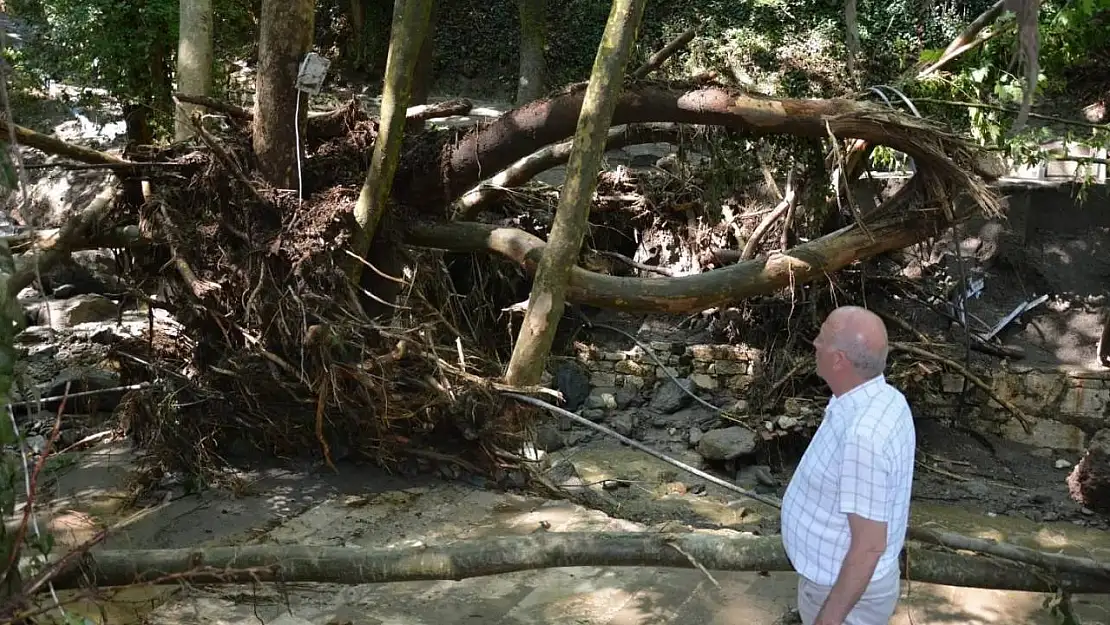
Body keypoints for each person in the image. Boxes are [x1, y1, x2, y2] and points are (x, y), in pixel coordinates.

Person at [781, 306, 916, 625]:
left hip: (842, 593)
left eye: (822, 338)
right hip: (839, 582)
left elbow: (869, 546)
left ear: (839, 359)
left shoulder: (863, 436)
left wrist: (827, 620)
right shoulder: (883, 398)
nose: (814, 343)